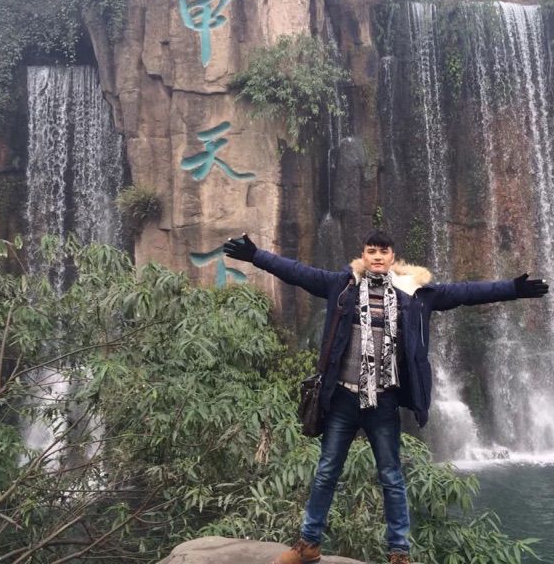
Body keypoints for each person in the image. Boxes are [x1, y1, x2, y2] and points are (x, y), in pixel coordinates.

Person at [223, 230, 548, 564]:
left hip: (384, 401)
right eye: (371, 251)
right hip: (342, 398)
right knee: (326, 473)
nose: (377, 256)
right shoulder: (342, 286)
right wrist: (256, 256)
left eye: (383, 251)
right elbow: (297, 272)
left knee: (391, 477)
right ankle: (308, 545)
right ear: (363, 255)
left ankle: (399, 553)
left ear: (393, 257)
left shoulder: (415, 293)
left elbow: (465, 292)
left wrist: (512, 288)